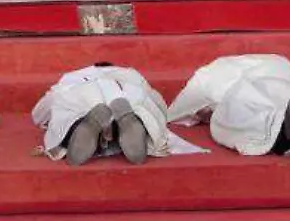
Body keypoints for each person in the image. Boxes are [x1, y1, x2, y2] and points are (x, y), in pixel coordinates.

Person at [167, 55, 290, 161]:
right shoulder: (280, 62)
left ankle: (286, 130)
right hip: (281, 80)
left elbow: (181, 108)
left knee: (244, 121)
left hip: (238, 91)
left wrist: (199, 114)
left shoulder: (212, 70)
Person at [32, 64, 197, 166]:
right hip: (126, 93)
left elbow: (40, 112)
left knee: (70, 120)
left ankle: (84, 125)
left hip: (84, 95)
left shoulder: (71, 78)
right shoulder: (130, 74)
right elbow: (156, 101)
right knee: (143, 112)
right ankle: (129, 121)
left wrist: (44, 120)